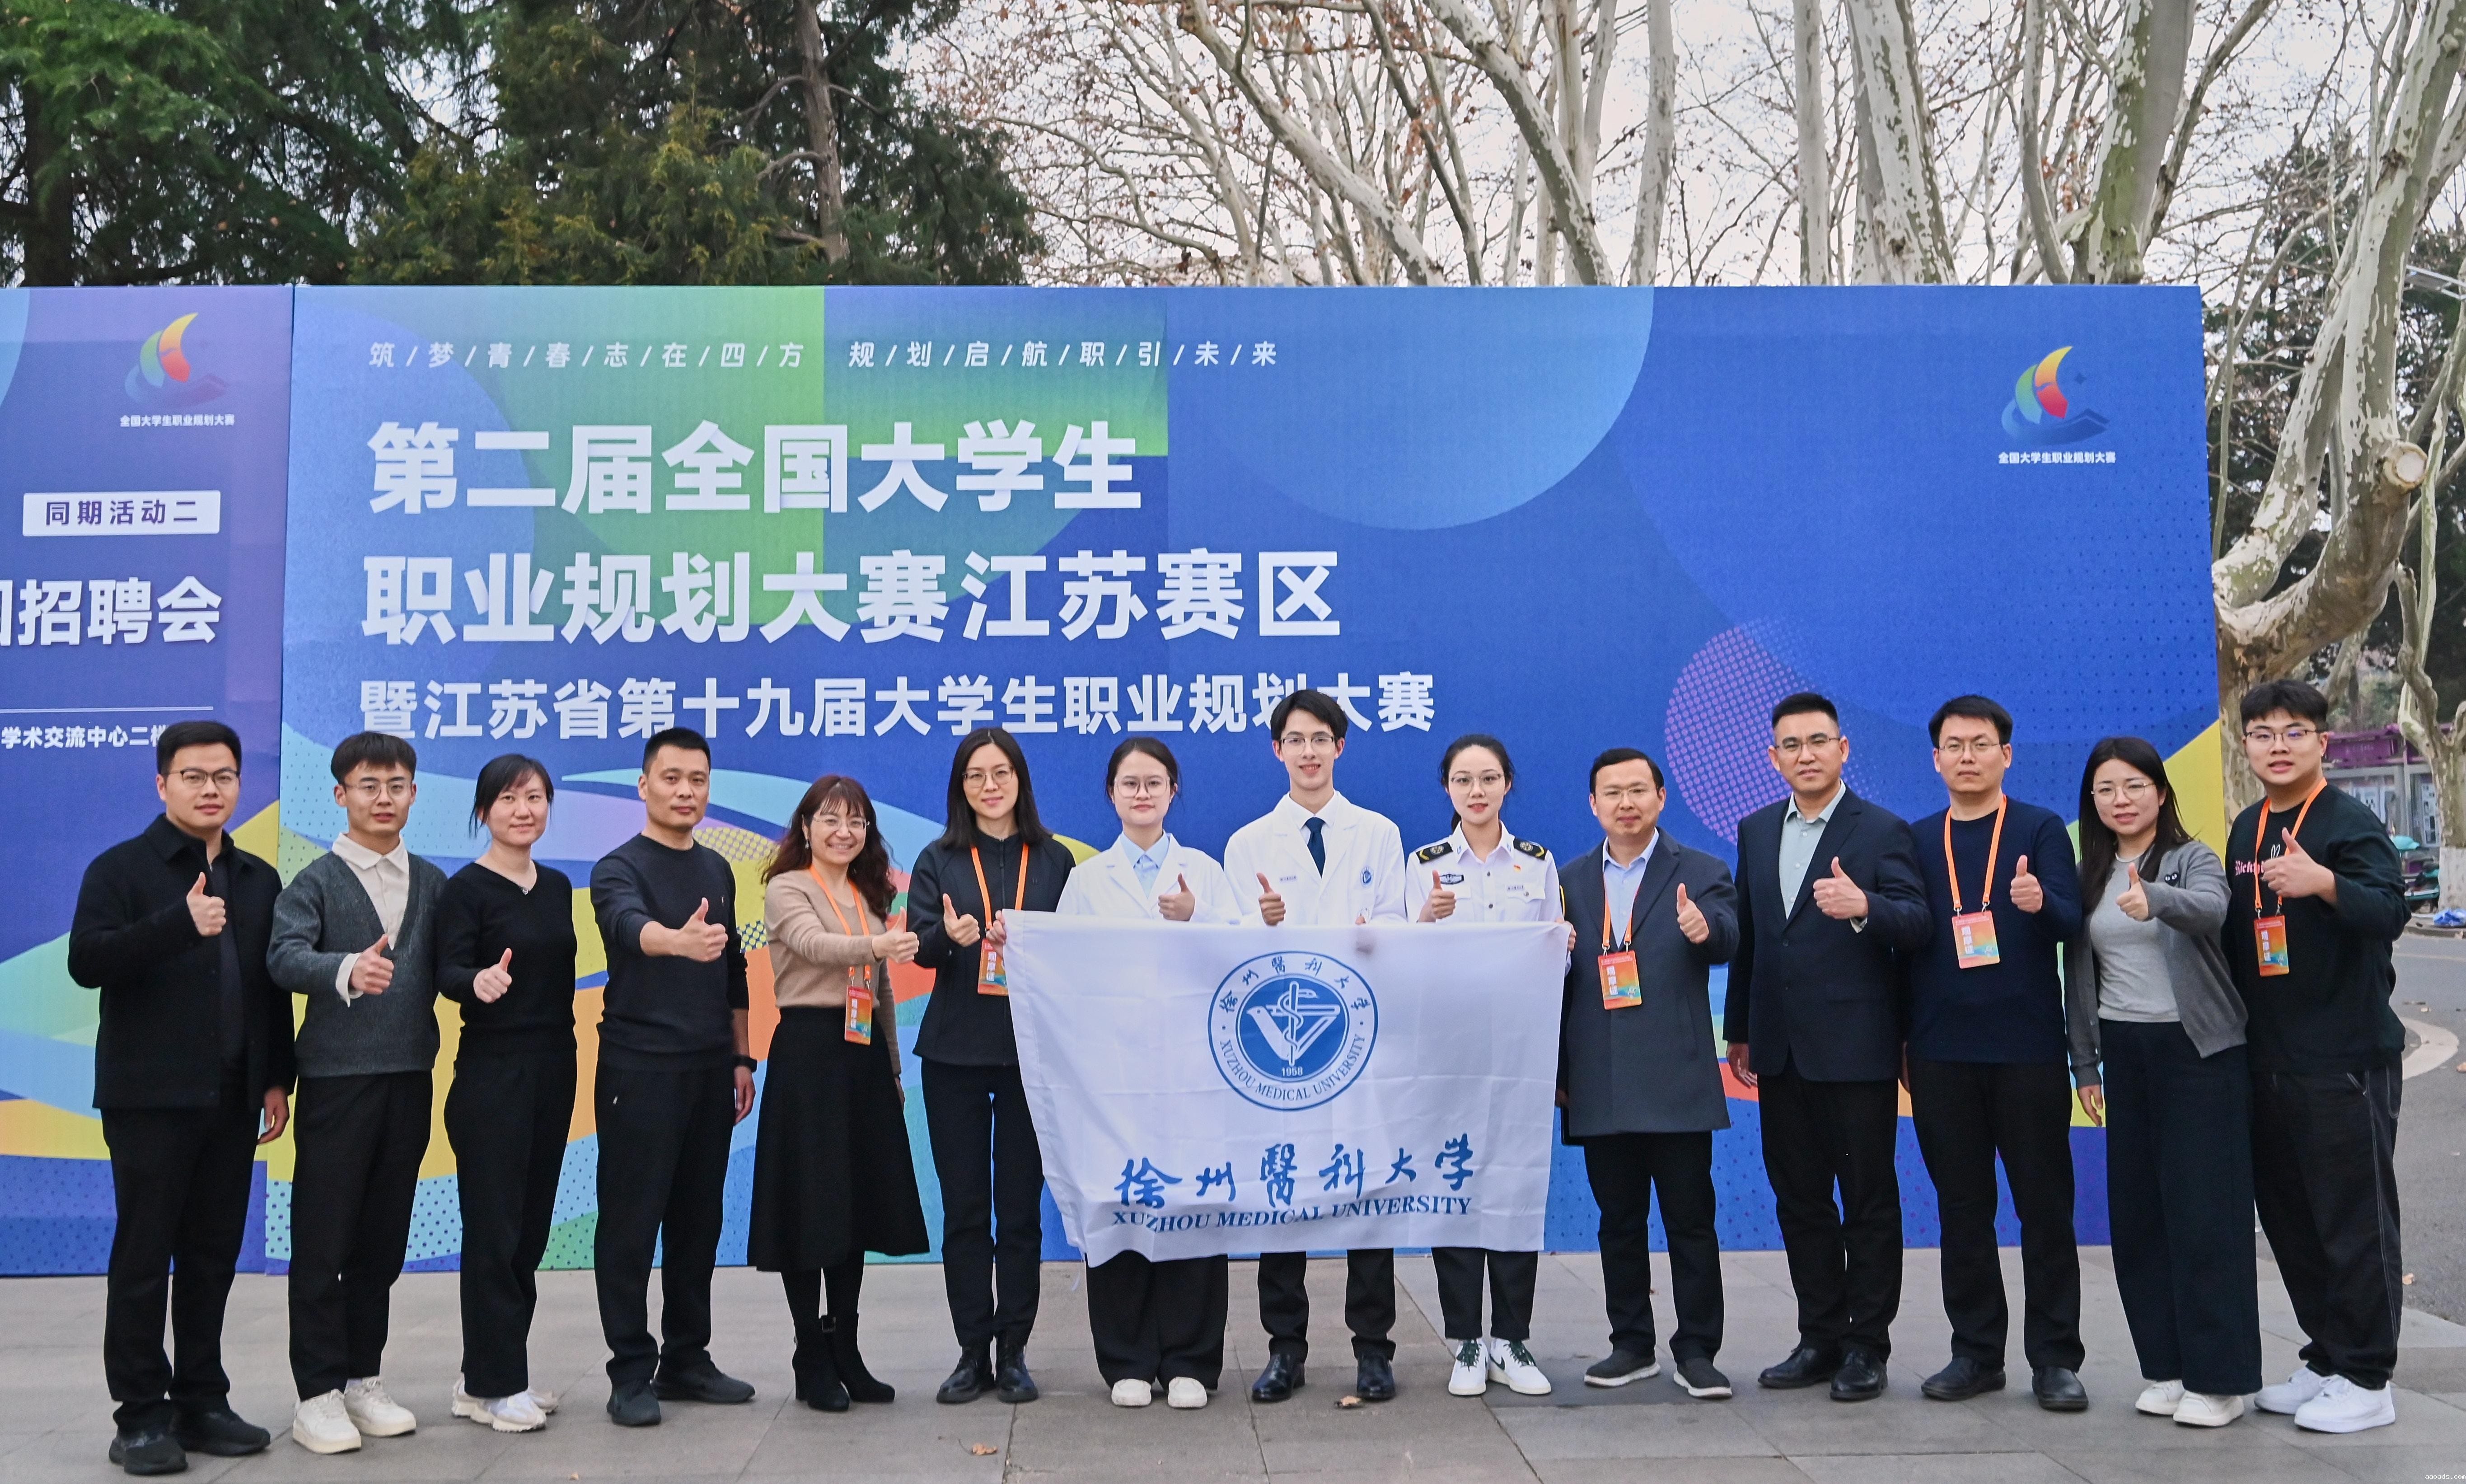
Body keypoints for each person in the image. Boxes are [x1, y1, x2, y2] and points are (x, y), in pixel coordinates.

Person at [70, 721, 294, 1476]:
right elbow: (87, 960)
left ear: (239, 784)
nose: (210, 789)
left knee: (210, 1256)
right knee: (144, 1256)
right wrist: (178, 924)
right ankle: (140, 1415)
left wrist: (276, 1076)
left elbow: (269, 987)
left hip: (233, 1097)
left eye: (224, 776)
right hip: (150, 1098)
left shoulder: (257, 877)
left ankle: (202, 1400)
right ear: (162, 783)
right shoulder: (121, 868)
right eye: (193, 776)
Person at [1724, 692, 1928, 1403]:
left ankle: (1867, 1344)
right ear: (1772, 756)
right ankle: (1819, 1335)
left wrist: (1867, 907)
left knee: (1867, 1199)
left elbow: (1918, 921)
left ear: (1844, 749)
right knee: (1800, 1198)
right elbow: (1752, 937)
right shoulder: (1755, 830)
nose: (1805, 754)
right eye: (1791, 744)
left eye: (1818, 741)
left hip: (1855, 1048)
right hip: (1779, 1049)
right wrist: (1739, 1028)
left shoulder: (1882, 829)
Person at [2225, 679, 2410, 1433]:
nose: (2278, 745)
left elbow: (2391, 910)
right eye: (2263, 733)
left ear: (2321, 742)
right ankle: (2328, 1356)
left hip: (2345, 1060)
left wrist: (2325, 882)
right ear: (2246, 745)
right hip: (2269, 1060)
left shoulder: (2347, 821)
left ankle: (2369, 1376)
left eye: (2293, 732)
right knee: (2293, 1221)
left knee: (2353, 1221)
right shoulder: (2247, 827)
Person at [1222, 689, 1410, 1404]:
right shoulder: (1248, 842)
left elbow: (1397, 923)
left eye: (1321, 738)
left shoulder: (1378, 833)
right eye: (1296, 740)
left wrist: (1375, 933)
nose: (1309, 751)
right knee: (1284, 1191)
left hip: (1358, 1035)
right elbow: (1228, 946)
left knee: (1366, 1186)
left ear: (1340, 747)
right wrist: (1260, 920)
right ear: (1278, 750)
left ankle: (1373, 1348)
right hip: (1285, 1049)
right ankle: (1285, 1348)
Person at [2064, 737, 2258, 1428]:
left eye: (2135, 786)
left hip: (2197, 1050)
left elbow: (2212, 909)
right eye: (2106, 789)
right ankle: (2168, 1368)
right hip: (2125, 1049)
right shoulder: (2089, 873)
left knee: (2206, 1215)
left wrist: (2158, 899)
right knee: (2140, 1216)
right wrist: (2085, 1064)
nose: (2121, 799)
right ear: (2092, 801)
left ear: (2162, 792)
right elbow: (2078, 976)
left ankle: (2221, 1381)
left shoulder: (2190, 858)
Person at [1902, 696, 2087, 1412]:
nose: (1968, 756)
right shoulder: (1918, 838)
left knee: (2046, 1208)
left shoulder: (2040, 828)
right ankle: (1976, 1352)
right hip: (1941, 1052)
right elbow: (1904, 942)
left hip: (2026, 1050)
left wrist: (2041, 901)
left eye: (1981, 744)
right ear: (1936, 759)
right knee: (1963, 1209)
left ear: (2006, 754)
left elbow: (2071, 921)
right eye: (1954, 745)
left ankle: (2056, 1358)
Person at [267, 731, 448, 1453]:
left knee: (382, 1239)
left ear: (414, 794)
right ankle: (316, 1393)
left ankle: (362, 1377)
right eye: (369, 785)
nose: (384, 797)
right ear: (341, 794)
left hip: (410, 1075)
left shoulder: (433, 881)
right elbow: (284, 956)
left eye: (397, 785)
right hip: (337, 1081)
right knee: (324, 1237)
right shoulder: (314, 881)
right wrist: (345, 969)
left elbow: (454, 962)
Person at [1058, 737, 1243, 1410]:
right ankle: (1128, 1358)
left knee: (1194, 1202)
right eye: (1130, 783)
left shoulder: (1205, 872)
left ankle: (1192, 1359)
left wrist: (1200, 917)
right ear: (1112, 793)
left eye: (1155, 783)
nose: (1142, 794)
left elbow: (1243, 954)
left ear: (1173, 792)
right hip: (1114, 1075)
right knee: (1122, 1203)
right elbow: (1064, 970)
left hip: (1193, 1067)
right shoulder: (1087, 880)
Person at [1556, 746, 1739, 1401]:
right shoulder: (1569, 880)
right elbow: (1555, 984)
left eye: (1638, 790)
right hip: (1600, 1079)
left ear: (1661, 797)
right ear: (1594, 804)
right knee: (1619, 1222)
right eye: (1613, 792)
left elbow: (1730, 937)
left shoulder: (1702, 869)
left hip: (1676, 1078)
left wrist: (1705, 928)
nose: (1626, 803)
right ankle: (1631, 1343)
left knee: (1691, 1222)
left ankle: (1698, 1350)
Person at [589, 727, 758, 1427]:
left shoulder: (718, 869)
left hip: (710, 1069)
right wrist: (677, 940)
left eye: (698, 779)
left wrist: (742, 1058)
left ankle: (687, 1357)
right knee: (631, 1225)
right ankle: (631, 1370)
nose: (686, 791)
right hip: (639, 1069)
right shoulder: (617, 867)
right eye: (671, 778)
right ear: (644, 785)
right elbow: (629, 926)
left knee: (697, 1222)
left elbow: (735, 970)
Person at [906, 727, 1076, 1406]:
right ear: (961, 787)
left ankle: (1014, 1351)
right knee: (966, 1209)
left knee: (1021, 1211)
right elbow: (918, 947)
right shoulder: (938, 858)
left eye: (1001, 772)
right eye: (976, 775)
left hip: (1031, 1057)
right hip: (954, 1054)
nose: (990, 786)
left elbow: (1077, 950)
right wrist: (948, 937)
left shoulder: (1055, 858)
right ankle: (971, 1350)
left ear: (1020, 780)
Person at [752, 773, 931, 1411]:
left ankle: (846, 1348)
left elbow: (880, 991)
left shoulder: (866, 892)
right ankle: (810, 1353)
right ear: (806, 828)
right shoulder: (787, 888)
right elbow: (813, 945)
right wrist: (878, 942)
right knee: (808, 1204)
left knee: (853, 1203)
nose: (843, 831)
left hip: (861, 1058)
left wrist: (892, 1070)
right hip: (809, 1052)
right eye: (830, 818)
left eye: (856, 821)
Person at [1402, 734, 1564, 1401]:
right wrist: (1425, 919)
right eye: (1464, 779)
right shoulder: (1424, 864)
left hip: (1521, 1053)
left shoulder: (1537, 863)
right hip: (1450, 1055)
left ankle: (1512, 1338)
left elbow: (1557, 960)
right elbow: (1403, 962)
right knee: (1457, 1186)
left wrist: (1562, 945)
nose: (1477, 791)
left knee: (1515, 1186)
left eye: (1489, 778)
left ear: (1507, 785)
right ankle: (1467, 1339)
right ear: (1447, 788)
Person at [434, 755, 576, 1434]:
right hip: (494, 1072)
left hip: (555, 1066)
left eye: (536, 797)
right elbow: (446, 969)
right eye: (509, 799)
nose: (524, 810)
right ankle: (496, 1385)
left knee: (529, 1230)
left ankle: (486, 1374)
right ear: (484, 809)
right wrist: (475, 982)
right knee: (495, 1230)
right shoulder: (465, 889)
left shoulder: (557, 885)